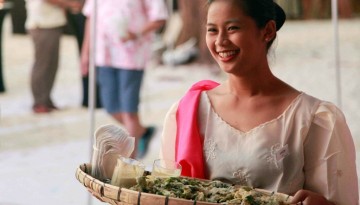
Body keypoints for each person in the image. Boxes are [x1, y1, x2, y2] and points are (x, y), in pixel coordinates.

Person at [159, 0, 359, 204]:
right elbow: (164, 192)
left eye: (232, 28)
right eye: (212, 30)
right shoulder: (188, 112)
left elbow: (339, 199)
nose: (220, 41)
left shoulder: (313, 118)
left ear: (268, 31)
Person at [81, 0, 168, 158]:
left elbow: (159, 17)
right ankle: (142, 132)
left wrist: (137, 33)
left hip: (132, 56)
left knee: (129, 110)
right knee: (111, 107)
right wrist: (85, 53)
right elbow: (90, 19)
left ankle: (129, 161)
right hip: (104, 55)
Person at [25, 0, 82, 113]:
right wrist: (70, 4)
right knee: (43, 65)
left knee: (51, 64)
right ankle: (39, 102)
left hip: (50, 23)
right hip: (43, 23)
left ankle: (46, 99)